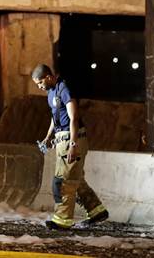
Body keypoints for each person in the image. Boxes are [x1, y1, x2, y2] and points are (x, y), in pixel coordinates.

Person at [31, 63, 108, 230]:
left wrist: (73, 145)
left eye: (40, 83)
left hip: (73, 140)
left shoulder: (64, 89)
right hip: (61, 140)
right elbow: (55, 116)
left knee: (63, 182)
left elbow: (74, 118)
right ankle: (96, 210)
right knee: (76, 178)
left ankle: (62, 220)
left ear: (48, 77)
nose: (39, 87)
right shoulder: (51, 92)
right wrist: (47, 137)